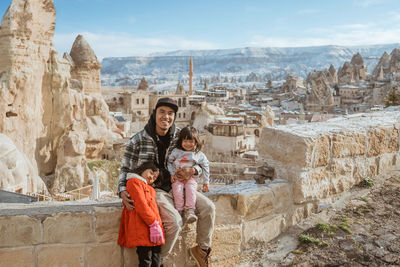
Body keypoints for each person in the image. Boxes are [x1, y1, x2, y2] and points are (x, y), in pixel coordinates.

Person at [118, 97, 215, 266]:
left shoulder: (181, 136)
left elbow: (199, 159)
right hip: (155, 190)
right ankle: (159, 261)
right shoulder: (138, 140)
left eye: (170, 113)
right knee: (175, 223)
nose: (166, 117)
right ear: (155, 113)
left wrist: (193, 170)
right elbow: (125, 168)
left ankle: (202, 250)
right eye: (162, 112)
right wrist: (121, 190)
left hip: (182, 186)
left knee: (208, 208)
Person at [118, 162, 164, 267]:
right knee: (146, 261)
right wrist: (153, 223)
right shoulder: (134, 182)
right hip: (143, 228)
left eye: (155, 177)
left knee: (157, 261)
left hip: (154, 229)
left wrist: (157, 226)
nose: (151, 177)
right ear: (143, 168)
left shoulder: (150, 188)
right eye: (151, 173)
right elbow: (140, 204)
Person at [167, 126, 210, 224]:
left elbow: (206, 165)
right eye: (185, 141)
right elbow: (169, 162)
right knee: (177, 192)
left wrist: (206, 182)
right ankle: (179, 211)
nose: (188, 144)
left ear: (196, 142)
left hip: (191, 179)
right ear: (181, 141)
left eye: (191, 141)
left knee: (191, 191)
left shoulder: (198, 154)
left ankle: (190, 211)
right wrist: (172, 173)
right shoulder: (176, 152)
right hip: (177, 178)